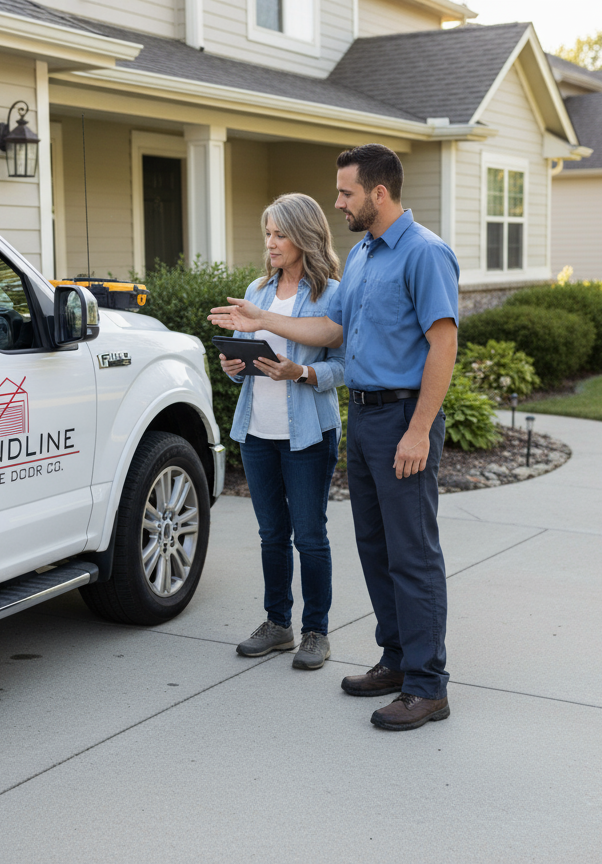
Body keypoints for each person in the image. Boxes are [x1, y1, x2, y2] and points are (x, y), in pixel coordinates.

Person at [210, 144, 459, 731]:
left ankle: (429, 686)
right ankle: (396, 660)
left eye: (346, 192)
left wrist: (420, 428)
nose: (338, 202)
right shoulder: (365, 255)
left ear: (378, 193)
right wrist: (263, 319)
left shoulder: (425, 254)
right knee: (376, 548)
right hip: (367, 418)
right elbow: (328, 328)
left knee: (413, 555)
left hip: (403, 419)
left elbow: (443, 343)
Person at [219, 193, 345, 671]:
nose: (270, 243)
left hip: (308, 434)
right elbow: (245, 366)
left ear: (304, 236)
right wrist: (233, 365)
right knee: (272, 533)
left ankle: (316, 631)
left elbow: (344, 363)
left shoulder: (331, 294)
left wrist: (304, 374)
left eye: (280, 234)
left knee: (309, 536)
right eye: (267, 234)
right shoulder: (257, 291)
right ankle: (278, 624)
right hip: (257, 431)